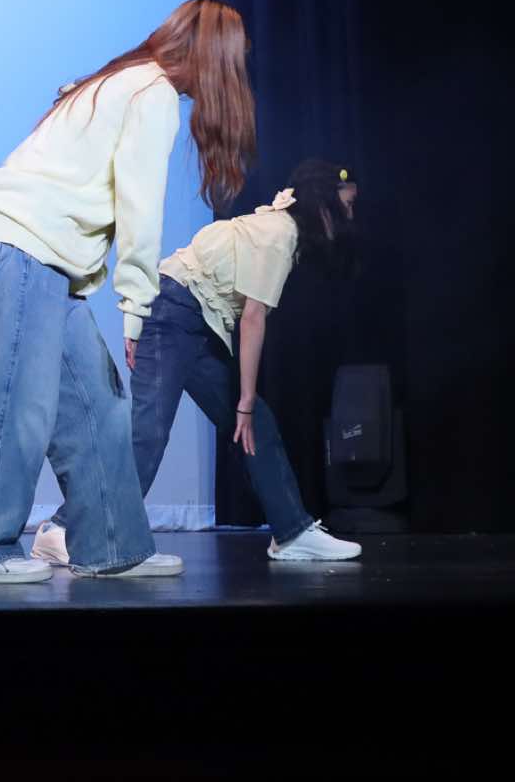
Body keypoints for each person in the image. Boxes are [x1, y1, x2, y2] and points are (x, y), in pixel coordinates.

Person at [0, 0, 255, 583]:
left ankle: (113, 545)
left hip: (43, 258)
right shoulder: (150, 92)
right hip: (23, 245)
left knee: (98, 409)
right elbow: (139, 210)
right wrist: (136, 310)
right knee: (14, 403)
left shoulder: (123, 80)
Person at [34, 160, 364, 565]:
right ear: (324, 205)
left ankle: (292, 532)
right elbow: (253, 318)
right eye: (347, 206)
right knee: (147, 434)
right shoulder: (280, 234)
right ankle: (63, 528)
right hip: (174, 313)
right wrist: (244, 400)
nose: (350, 216)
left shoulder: (283, 233)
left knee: (256, 426)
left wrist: (247, 408)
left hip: (197, 323)